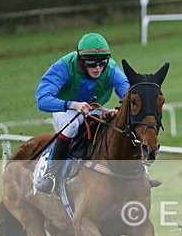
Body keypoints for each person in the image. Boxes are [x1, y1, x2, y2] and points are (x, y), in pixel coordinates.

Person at [34, 32, 160, 194]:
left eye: (102, 63)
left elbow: (128, 93)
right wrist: (73, 104)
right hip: (65, 109)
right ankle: (51, 175)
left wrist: (120, 110)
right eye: (92, 64)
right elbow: (42, 99)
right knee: (72, 127)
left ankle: (142, 173)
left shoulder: (111, 69)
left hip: (95, 108)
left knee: (124, 123)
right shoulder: (64, 67)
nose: (98, 68)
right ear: (81, 60)